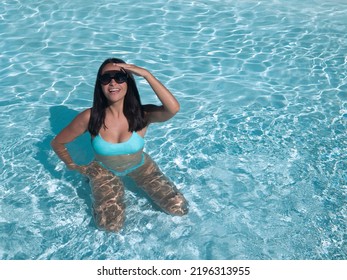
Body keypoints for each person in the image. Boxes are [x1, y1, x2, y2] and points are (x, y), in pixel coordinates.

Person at [51, 58, 188, 232]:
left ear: (128, 82)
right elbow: (58, 143)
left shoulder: (142, 114)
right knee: (110, 226)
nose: (113, 82)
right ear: (100, 85)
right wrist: (73, 166)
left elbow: (173, 109)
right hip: (103, 171)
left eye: (119, 77)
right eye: (106, 78)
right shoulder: (90, 117)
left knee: (179, 209)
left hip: (141, 167)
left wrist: (146, 74)